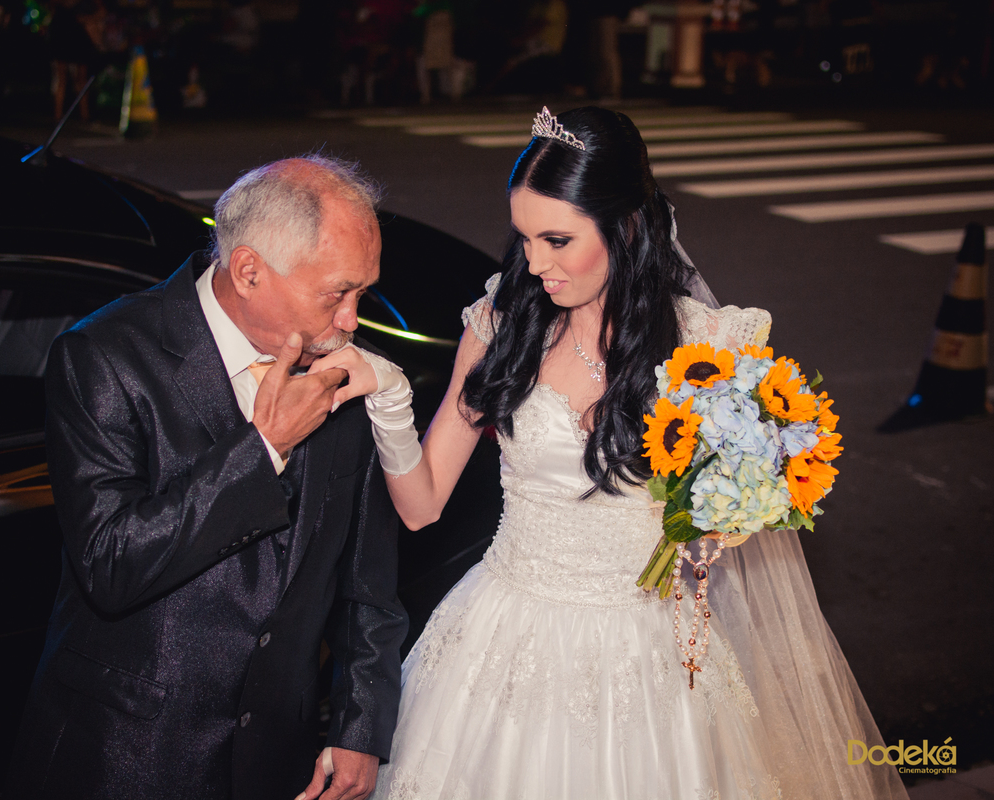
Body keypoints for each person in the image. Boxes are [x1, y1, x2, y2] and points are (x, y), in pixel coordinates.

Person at [313, 107, 909, 799]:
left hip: (648, 657)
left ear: (623, 225)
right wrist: (387, 397)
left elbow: (722, 523)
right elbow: (419, 509)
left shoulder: (706, 349)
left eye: (558, 239)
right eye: (526, 236)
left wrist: (724, 511)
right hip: (501, 641)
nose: (535, 263)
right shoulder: (501, 325)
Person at [5, 156, 408, 800]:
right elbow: (112, 566)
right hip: (127, 753)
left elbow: (369, 584)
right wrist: (264, 446)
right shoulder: (106, 355)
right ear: (248, 270)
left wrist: (360, 728)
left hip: (277, 760)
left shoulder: (343, 370)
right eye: (337, 293)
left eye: (364, 291)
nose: (351, 321)